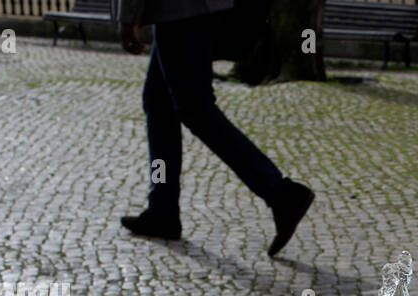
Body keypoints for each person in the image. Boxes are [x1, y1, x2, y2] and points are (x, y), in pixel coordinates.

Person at [116, 0, 315, 257]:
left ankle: (280, 193)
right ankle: (161, 210)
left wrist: (127, 16)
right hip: (195, 10)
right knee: (159, 103)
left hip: (179, 11)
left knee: (195, 108)